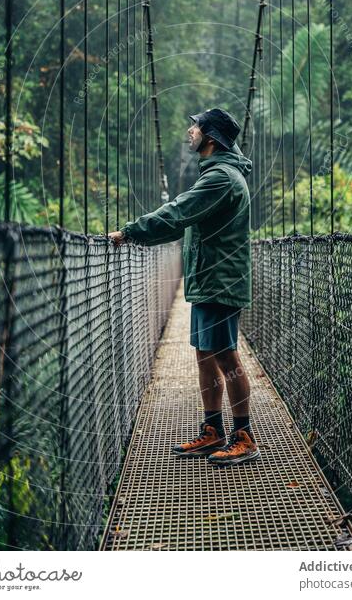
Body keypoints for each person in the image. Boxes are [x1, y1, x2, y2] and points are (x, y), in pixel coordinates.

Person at [108, 107, 260, 466]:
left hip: (220, 279)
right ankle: (214, 430)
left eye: (195, 126)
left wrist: (130, 232)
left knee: (226, 357)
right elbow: (181, 223)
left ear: (210, 136)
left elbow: (177, 212)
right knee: (205, 355)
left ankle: (244, 436)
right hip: (209, 279)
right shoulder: (218, 174)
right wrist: (141, 235)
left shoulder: (221, 178)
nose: (190, 130)